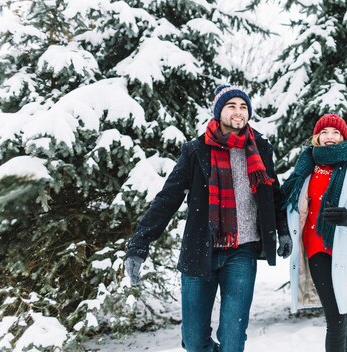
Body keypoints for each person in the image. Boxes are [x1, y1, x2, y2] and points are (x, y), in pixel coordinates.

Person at [124, 84, 292, 352]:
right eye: (231, 106)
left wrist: (282, 230)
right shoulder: (196, 150)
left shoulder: (259, 148)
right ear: (218, 112)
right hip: (199, 249)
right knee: (193, 341)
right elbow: (168, 199)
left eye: (243, 107)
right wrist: (138, 244)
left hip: (242, 251)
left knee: (233, 337)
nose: (239, 112)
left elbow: (274, 195)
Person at [282, 114, 347, 352]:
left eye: (335, 133)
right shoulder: (304, 169)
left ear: (343, 137)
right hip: (317, 248)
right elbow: (287, 205)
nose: (329, 137)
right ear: (317, 137)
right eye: (324, 132)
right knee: (336, 320)